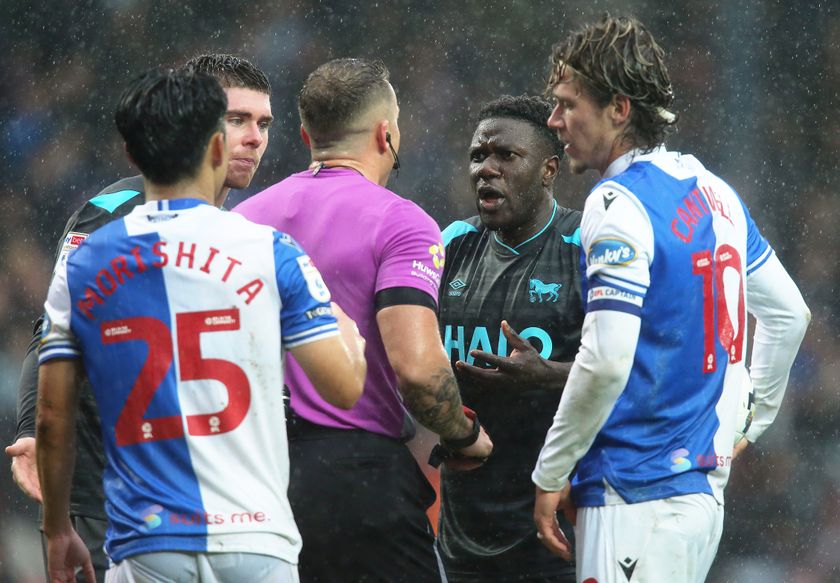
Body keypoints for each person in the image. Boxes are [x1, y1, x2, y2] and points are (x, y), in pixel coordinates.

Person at [37, 67, 366, 583]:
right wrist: (345, 324)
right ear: (217, 147)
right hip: (257, 538)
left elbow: (51, 417)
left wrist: (56, 527)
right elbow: (343, 388)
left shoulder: (83, 266)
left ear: (132, 155)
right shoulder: (270, 250)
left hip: (148, 540)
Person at [531, 15, 811, 583]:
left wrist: (550, 471)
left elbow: (607, 361)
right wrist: (748, 426)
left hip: (636, 492)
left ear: (619, 109)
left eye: (567, 103)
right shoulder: (715, 191)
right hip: (698, 496)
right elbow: (789, 314)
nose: (554, 120)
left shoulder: (615, 205)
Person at [6, 53, 275, 582]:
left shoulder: (235, 228)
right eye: (237, 120)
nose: (253, 138)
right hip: (108, 491)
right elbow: (54, 337)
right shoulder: (119, 209)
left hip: (196, 496)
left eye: (263, 123)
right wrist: (34, 433)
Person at [234, 57, 493, 583]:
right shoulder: (401, 222)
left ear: (307, 134)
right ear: (386, 132)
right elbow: (418, 370)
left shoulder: (243, 219)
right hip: (354, 481)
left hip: (251, 479)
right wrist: (464, 436)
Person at [436, 95, 581, 583]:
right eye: (479, 156)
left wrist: (549, 376)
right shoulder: (451, 244)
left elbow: (637, 369)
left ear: (548, 169)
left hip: (559, 530)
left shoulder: (586, 245)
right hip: (462, 534)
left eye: (506, 157)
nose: (486, 169)